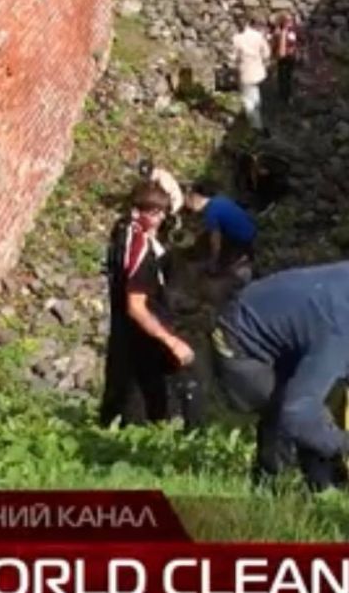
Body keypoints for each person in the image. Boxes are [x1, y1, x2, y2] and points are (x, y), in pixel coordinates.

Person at [209, 262, 349, 490]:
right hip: (238, 344)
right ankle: (272, 489)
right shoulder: (343, 333)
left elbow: (316, 323)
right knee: (289, 414)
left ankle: (319, 486)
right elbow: (297, 414)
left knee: (311, 418)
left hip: (261, 326)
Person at [99, 181, 201, 429]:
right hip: (144, 331)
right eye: (153, 213)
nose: (160, 218)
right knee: (151, 393)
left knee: (122, 387)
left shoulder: (123, 233)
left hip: (123, 333)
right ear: (137, 211)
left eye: (163, 212)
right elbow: (137, 306)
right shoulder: (140, 253)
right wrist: (171, 341)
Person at [185, 181, 258, 281]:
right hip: (251, 229)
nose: (190, 210)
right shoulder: (219, 199)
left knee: (229, 270)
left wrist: (213, 262)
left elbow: (216, 243)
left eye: (189, 206)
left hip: (243, 240)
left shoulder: (211, 214)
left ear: (194, 199)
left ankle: (240, 269)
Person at [231, 16, 273, 132]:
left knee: (248, 99)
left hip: (245, 71)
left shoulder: (236, 39)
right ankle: (257, 117)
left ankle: (256, 126)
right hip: (258, 71)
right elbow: (267, 53)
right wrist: (261, 60)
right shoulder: (257, 36)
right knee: (255, 94)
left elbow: (234, 57)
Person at [137, 159, 184, 232]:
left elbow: (166, 196)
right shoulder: (155, 177)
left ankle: (174, 224)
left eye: (149, 174)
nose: (147, 177)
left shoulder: (163, 181)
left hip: (174, 201)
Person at [271, 10, 301, 104]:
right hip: (281, 58)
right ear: (283, 21)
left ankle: (289, 96)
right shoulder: (278, 32)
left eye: (291, 20)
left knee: (289, 76)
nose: (290, 22)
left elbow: (297, 42)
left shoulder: (292, 31)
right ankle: (283, 96)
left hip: (291, 57)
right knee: (282, 77)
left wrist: (296, 50)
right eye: (288, 20)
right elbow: (274, 45)